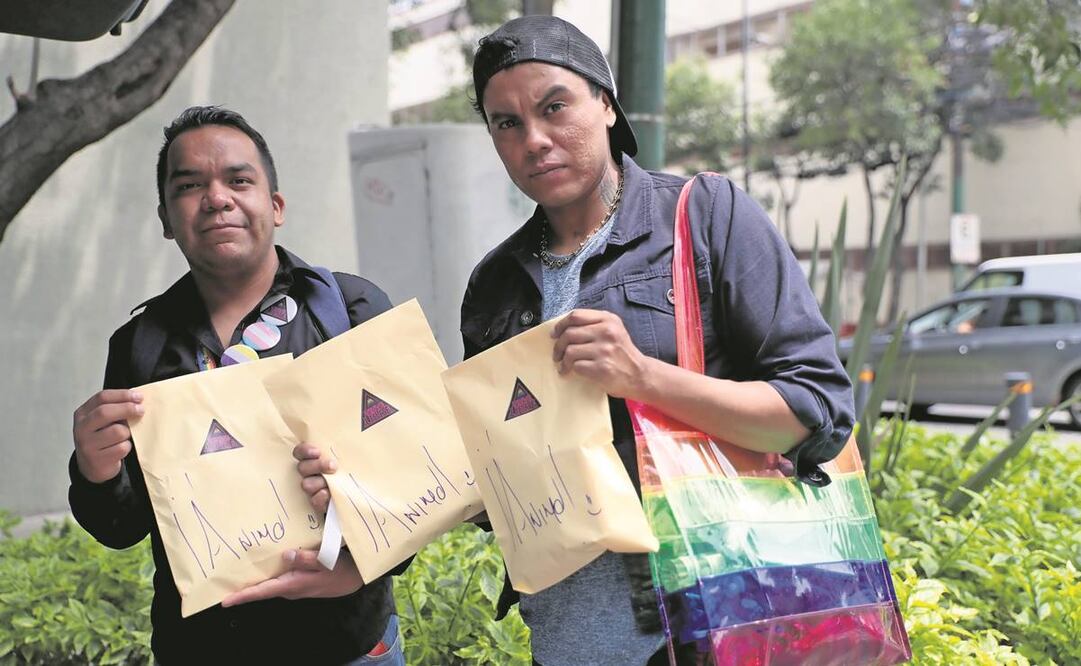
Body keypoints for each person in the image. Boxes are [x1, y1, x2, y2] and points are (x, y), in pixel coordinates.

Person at [457, 15, 856, 666]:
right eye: (506, 123)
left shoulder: (704, 216)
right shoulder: (494, 284)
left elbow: (815, 414)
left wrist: (642, 377)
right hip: (565, 639)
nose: (534, 140)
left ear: (606, 105)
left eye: (554, 107)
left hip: (711, 623)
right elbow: (500, 485)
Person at [68, 106, 404, 665]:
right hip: (200, 649)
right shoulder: (139, 345)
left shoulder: (350, 310)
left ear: (276, 205)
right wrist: (94, 472)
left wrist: (358, 567)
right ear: (166, 218)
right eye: (189, 185)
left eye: (239, 180)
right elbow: (123, 527)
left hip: (348, 646)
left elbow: (420, 479)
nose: (216, 198)